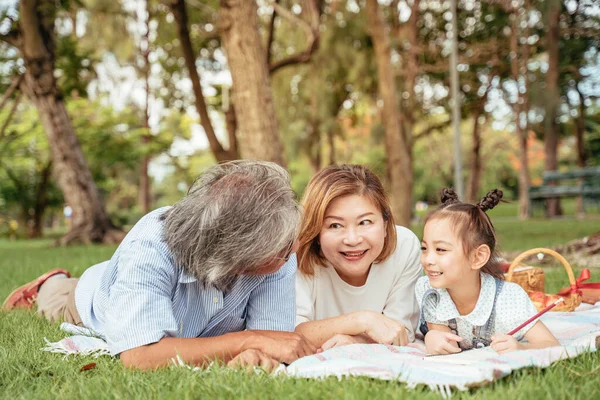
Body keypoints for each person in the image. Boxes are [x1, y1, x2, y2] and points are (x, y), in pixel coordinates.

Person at [3, 160, 316, 370]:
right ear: (232, 249)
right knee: (56, 299)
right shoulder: (152, 243)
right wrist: (247, 341)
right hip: (89, 301)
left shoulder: (278, 251)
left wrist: (256, 352)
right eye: (275, 250)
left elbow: (272, 340)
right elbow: (139, 355)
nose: (289, 254)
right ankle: (45, 284)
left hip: (141, 292)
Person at [417, 188, 559, 355]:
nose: (427, 259)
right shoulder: (430, 291)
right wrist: (433, 337)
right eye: (424, 248)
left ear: (477, 257)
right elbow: (446, 343)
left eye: (440, 249)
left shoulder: (508, 299)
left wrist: (520, 348)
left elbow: (551, 344)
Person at [295, 164, 422, 350]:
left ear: (386, 225)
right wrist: (362, 320)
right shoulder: (297, 256)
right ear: (316, 232)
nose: (353, 240)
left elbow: (400, 331)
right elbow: (290, 334)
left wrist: (356, 342)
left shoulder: (404, 246)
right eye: (335, 225)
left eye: (365, 222)